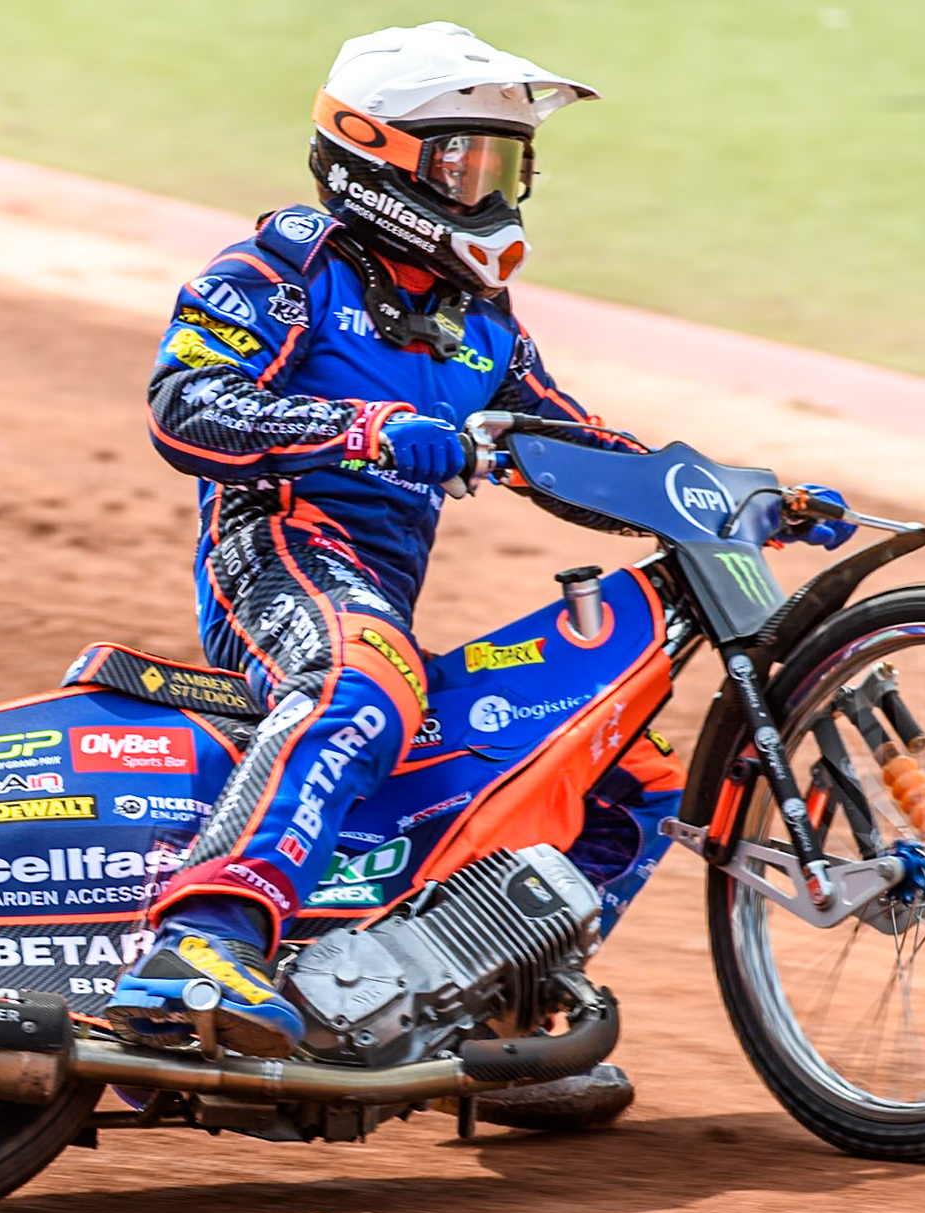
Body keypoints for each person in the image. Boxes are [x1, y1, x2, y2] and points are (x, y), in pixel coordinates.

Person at [107, 23, 854, 1081]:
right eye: (463, 160)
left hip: (376, 594)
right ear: (373, 156)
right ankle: (200, 943)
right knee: (361, 681)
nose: (488, 188)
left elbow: (572, 449)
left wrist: (740, 497)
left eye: (504, 164)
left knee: (629, 771)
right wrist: (365, 430)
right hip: (276, 549)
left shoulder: (478, 320)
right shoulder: (280, 268)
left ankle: (497, 1005)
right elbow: (186, 408)